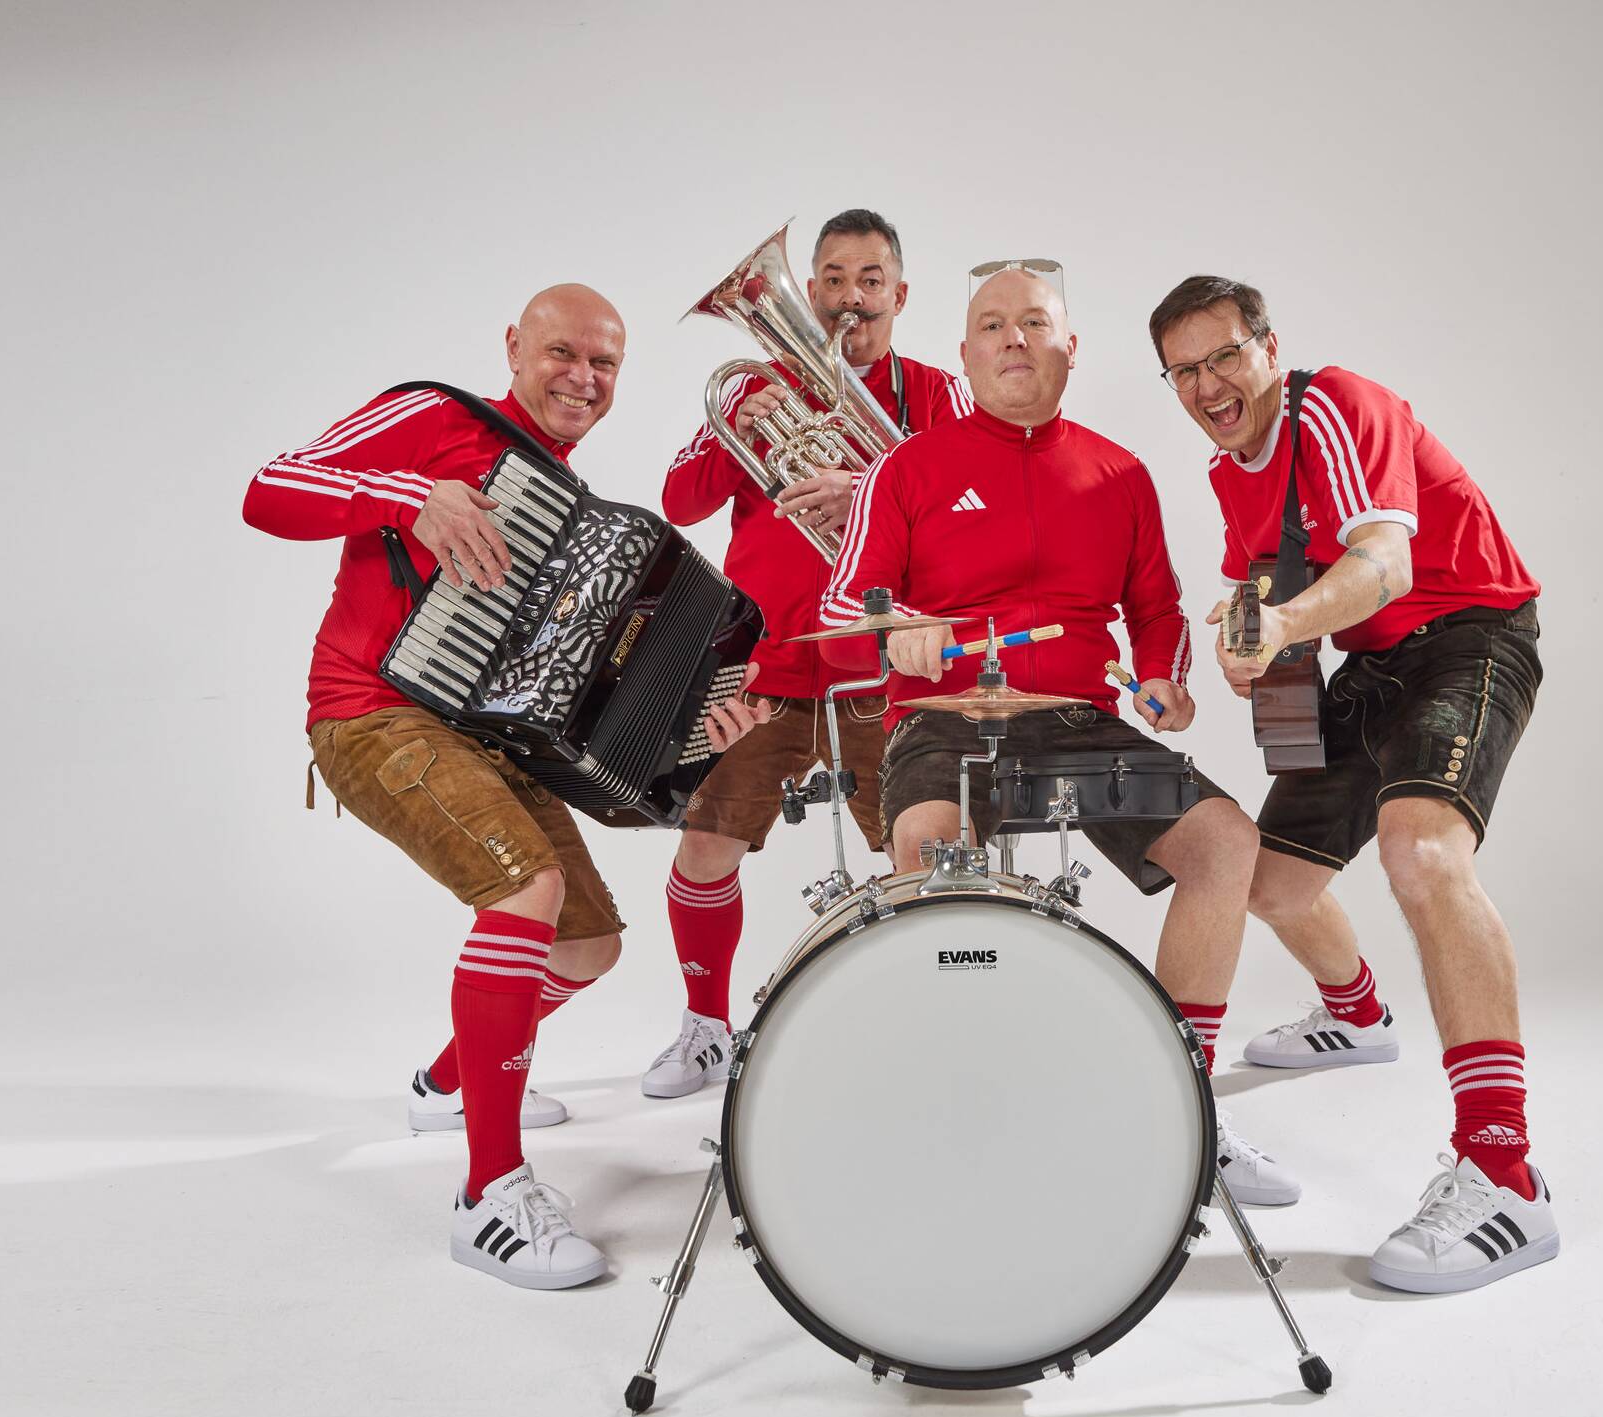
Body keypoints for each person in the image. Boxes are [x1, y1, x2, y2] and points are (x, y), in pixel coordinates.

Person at [242, 284, 767, 1289]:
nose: (582, 378)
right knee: (528, 890)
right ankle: (488, 1195)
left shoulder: (570, 503)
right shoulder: (432, 417)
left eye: (604, 364)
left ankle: (446, 1084)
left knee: (587, 945)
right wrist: (411, 498)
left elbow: (580, 699)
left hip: (475, 738)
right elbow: (270, 488)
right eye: (562, 352)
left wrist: (696, 731)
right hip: (369, 712)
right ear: (515, 347)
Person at [819, 263, 1300, 1208]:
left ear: (1069, 349)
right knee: (929, 856)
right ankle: (958, 1103)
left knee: (1224, 844)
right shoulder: (904, 469)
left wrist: (1163, 676)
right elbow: (842, 608)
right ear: (964, 355)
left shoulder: (1119, 472)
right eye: (992, 325)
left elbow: (1154, 609)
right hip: (944, 719)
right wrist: (895, 626)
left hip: (1077, 717)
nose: (1013, 338)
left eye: (1034, 323)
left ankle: (1184, 1101)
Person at [1149, 273, 1554, 1292]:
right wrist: (1246, 641)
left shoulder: (1335, 405)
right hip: (1367, 669)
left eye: (1224, 355)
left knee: (1421, 854)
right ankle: (1359, 1017)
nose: (1208, 384)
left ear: (1267, 347)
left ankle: (1504, 1173)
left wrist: (1283, 623)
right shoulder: (1228, 471)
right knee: (1266, 884)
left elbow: (1383, 563)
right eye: (1183, 371)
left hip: (1467, 638)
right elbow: (1263, 589)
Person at [649, 209, 969, 1098]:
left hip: (888, 667)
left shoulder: (941, 395)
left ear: (899, 293)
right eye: (831, 278)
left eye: (869, 280)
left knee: (922, 857)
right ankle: (705, 1027)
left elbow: (972, 507)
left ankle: (933, 1030)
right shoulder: (757, 389)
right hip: (767, 664)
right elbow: (678, 500)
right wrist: (741, 427)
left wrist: (868, 487)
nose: (848, 298)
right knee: (705, 843)